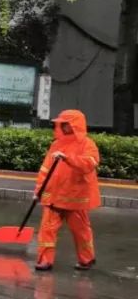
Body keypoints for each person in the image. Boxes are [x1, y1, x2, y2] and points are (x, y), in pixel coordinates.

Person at [33, 109, 101, 272]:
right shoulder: (56, 144)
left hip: (75, 197)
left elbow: (89, 164)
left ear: (75, 125)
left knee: (81, 231)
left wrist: (67, 158)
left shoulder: (87, 144)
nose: (62, 127)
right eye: (61, 124)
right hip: (53, 196)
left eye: (66, 124)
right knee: (47, 230)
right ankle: (45, 260)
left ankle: (87, 259)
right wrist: (38, 190)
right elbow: (45, 170)